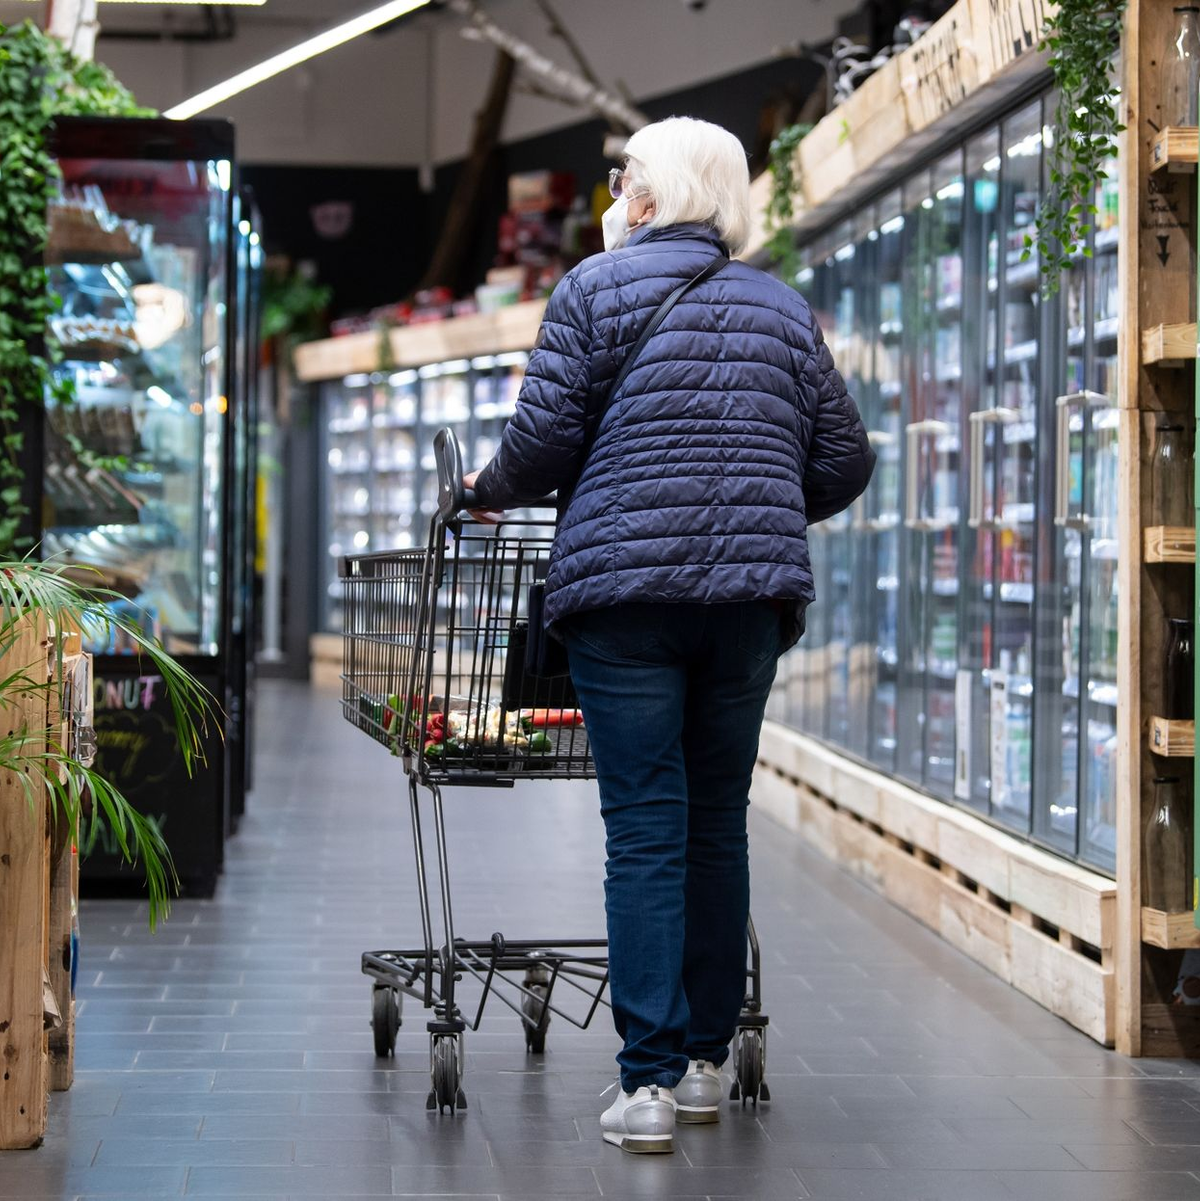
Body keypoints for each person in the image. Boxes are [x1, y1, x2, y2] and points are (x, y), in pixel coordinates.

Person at [465, 115, 875, 1154]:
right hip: (746, 607)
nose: (614, 195)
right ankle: (701, 1061)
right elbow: (846, 457)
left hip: (626, 604)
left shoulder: (593, 292)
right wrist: (762, 513)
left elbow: (544, 439)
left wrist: (484, 491)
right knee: (716, 821)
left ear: (649, 198)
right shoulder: (781, 308)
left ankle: (643, 1084)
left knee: (646, 825)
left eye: (622, 179)